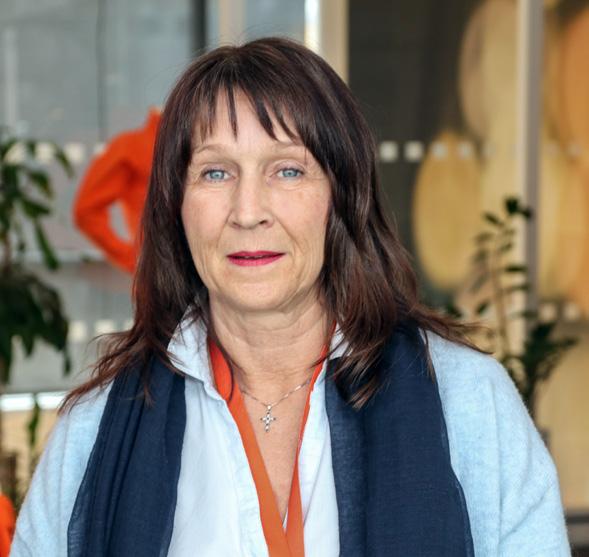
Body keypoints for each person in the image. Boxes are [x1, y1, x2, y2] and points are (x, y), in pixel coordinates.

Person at [10, 37, 570, 557]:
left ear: (340, 196)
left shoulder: (467, 401)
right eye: (215, 173)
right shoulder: (96, 429)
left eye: (287, 170)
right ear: (176, 206)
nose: (248, 211)